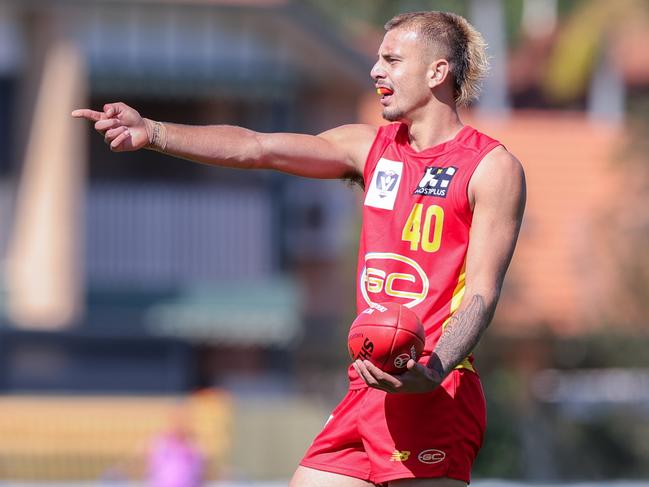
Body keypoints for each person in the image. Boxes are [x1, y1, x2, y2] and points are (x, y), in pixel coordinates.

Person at [73, 10, 526, 487]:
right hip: (366, 388)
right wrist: (154, 131)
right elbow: (256, 147)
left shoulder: (491, 168)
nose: (376, 71)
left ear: (438, 72)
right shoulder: (367, 147)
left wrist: (433, 369)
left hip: (435, 388)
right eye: (377, 59)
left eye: (392, 60)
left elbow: (481, 294)